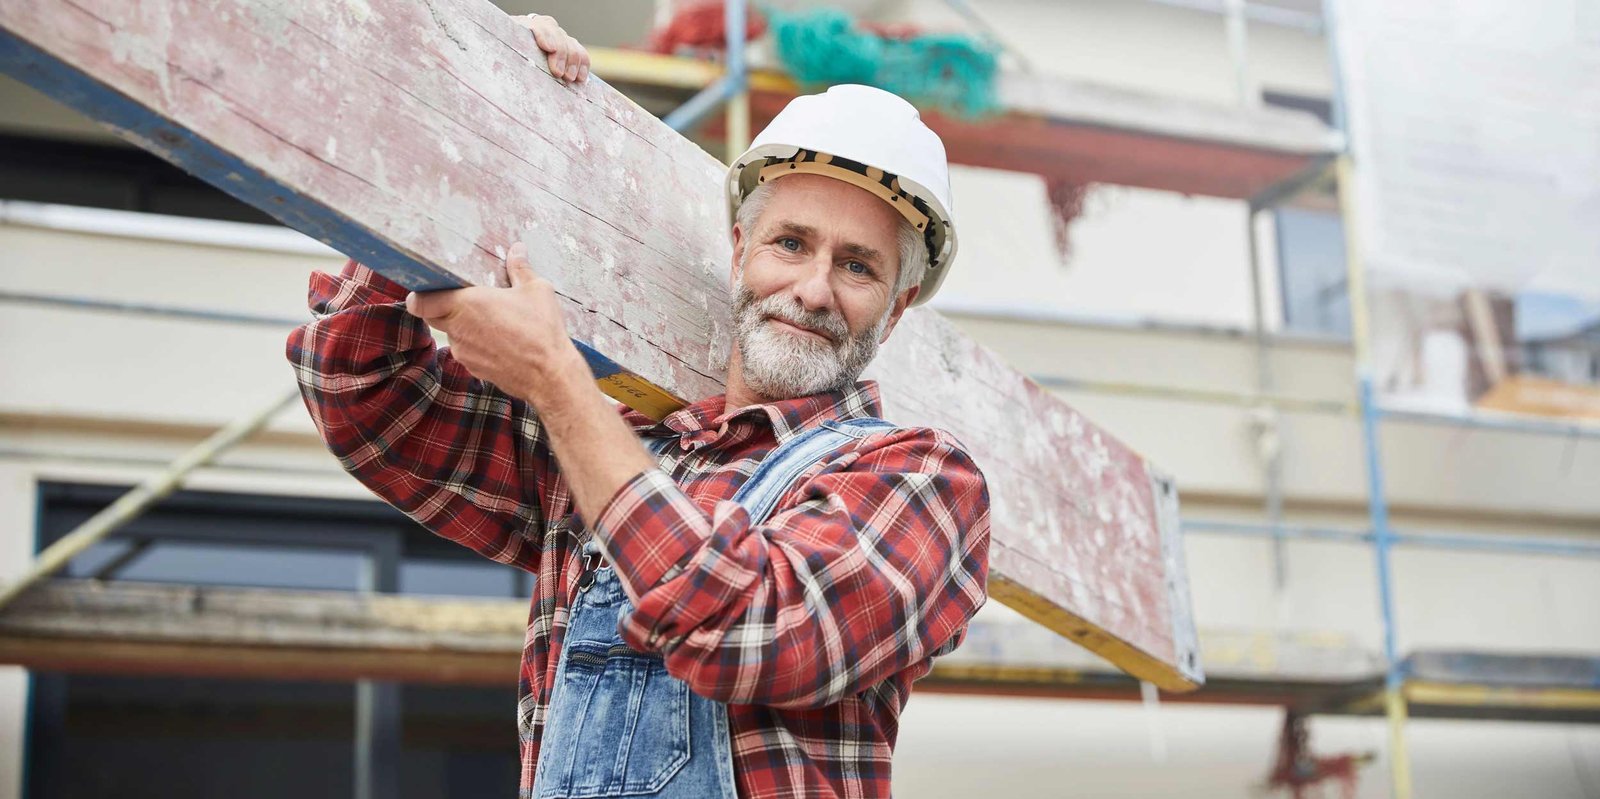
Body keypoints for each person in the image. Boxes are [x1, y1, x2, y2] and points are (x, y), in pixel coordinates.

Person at [287, 13, 989, 798]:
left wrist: (559, 386)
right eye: (790, 243)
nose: (812, 288)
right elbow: (365, 394)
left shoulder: (923, 481)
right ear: (738, 252)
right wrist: (481, 122)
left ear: (894, 311)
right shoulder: (615, 441)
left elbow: (744, 624)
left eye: (857, 266)